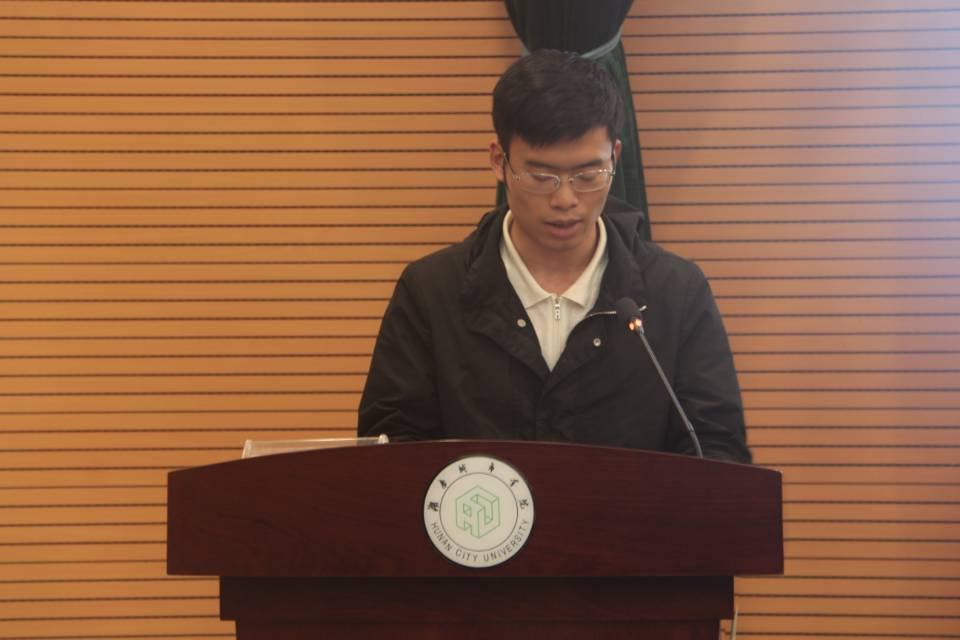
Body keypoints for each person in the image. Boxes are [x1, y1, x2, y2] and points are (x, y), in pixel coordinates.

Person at [357, 50, 750, 463]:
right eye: (541, 176)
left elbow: (718, 453)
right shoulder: (431, 292)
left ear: (615, 157)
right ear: (499, 161)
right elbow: (391, 453)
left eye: (587, 176)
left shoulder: (675, 291)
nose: (565, 199)